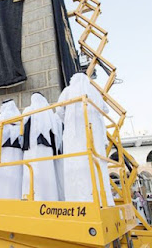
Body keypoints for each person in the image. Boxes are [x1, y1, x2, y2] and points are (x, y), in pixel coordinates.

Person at [56, 73, 115, 206]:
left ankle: (77, 200)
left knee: (76, 163)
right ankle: (102, 200)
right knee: (97, 164)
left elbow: (59, 110)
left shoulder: (68, 90)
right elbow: (106, 109)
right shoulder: (94, 92)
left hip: (75, 135)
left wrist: (68, 119)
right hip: (95, 135)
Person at [22, 93, 59, 201]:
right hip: (47, 148)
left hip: (32, 148)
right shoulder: (49, 112)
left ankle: (32, 197)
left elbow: (22, 123)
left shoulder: (29, 110)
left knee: (33, 172)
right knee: (47, 172)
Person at [0, 99, 23, 199]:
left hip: (3, 154)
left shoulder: (2, 117)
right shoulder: (19, 118)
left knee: (2, 183)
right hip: (16, 155)